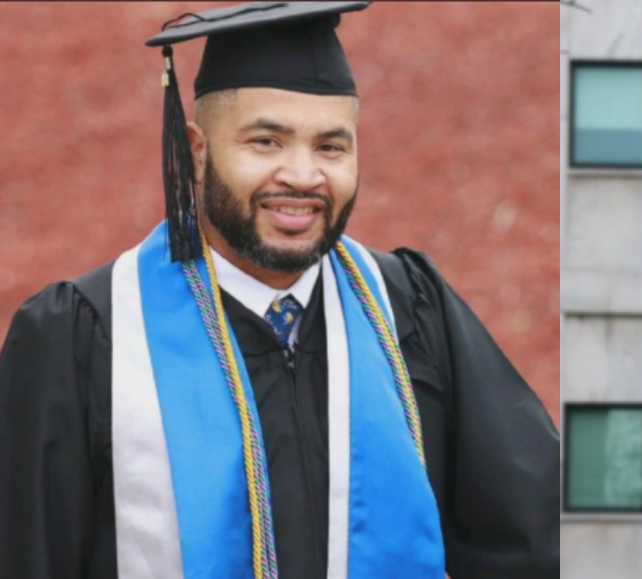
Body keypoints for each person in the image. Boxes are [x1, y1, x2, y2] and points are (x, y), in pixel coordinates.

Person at [0, 3, 559, 578]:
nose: (302, 175)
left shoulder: (410, 314)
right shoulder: (87, 337)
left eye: (331, 147)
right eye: (266, 142)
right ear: (197, 151)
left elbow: (527, 539)